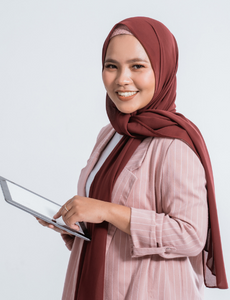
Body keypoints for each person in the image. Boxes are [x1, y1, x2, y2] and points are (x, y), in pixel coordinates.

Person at [37, 17, 228, 300]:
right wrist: (75, 224)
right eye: (111, 66)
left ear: (162, 70)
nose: (122, 79)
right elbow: (111, 230)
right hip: (100, 284)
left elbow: (190, 235)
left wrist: (105, 211)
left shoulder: (173, 145)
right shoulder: (110, 134)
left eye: (137, 66)